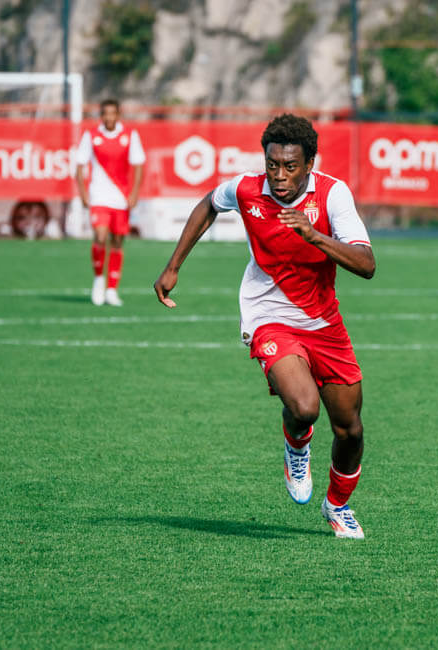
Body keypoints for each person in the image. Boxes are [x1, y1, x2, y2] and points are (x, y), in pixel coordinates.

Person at [154, 114, 375, 539]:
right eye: (272, 165)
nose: (279, 175)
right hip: (268, 317)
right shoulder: (246, 189)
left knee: (350, 429)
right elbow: (209, 204)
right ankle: (297, 445)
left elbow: (366, 264)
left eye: (290, 166)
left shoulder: (332, 194)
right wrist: (173, 265)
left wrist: (314, 235)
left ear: (309, 164)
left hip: (323, 320)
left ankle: (337, 505)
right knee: (304, 407)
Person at [74, 98, 145, 307]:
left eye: (112, 113)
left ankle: (112, 289)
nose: (108, 118)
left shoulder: (130, 135)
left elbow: (139, 165)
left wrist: (134, 193)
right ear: (101, 116)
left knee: (117, 241)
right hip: (98, 196)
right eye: (105, 114)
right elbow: (79, 165)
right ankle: (99, 279)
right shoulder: (91, 136)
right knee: (100, 235)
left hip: (121, 198)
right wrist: (83, 193)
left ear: (118, 115)